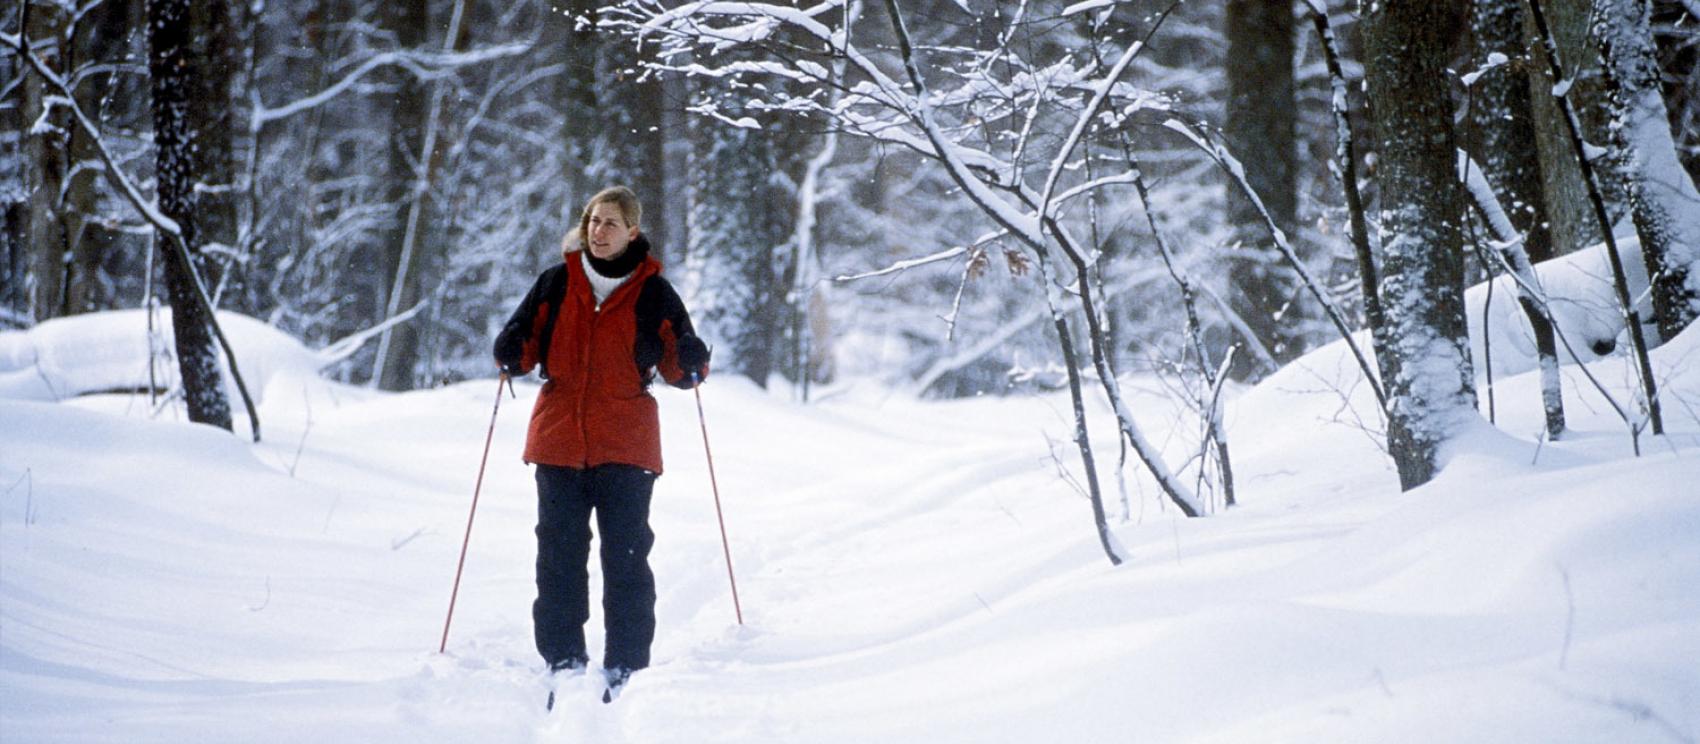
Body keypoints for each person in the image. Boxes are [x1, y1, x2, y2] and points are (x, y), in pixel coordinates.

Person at [492, 186, 710, 703]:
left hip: (627, 442)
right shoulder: (555, 283)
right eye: (593, 220)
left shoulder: (654, 292)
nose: (599, 231)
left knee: (627, 558)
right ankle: (564, 659)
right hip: (559, 439)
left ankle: (627, 664)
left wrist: (694, 357)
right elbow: (521, 352)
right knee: (558, 557)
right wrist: (509, 350)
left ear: (632, 231)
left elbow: (682, 372)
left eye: (611, 223)